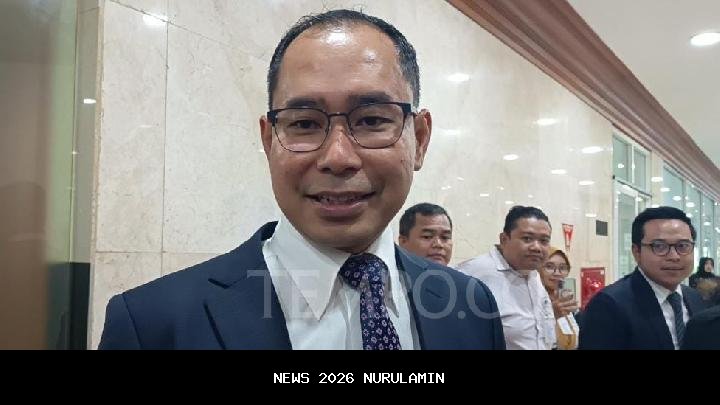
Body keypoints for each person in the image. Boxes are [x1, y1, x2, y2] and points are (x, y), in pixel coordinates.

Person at [98, 9, 505, 350]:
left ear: (419, 139)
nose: (338, 157)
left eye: (371, 120)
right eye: (305, 124)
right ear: (269, 141)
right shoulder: (153, 326)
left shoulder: (471, 307)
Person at [579, 207, 705, 349]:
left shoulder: (695, 298)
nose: (674, 256)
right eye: (659, 246)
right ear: (636, 252)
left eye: (683, 246)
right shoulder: (608, 305)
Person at [457, 206, 556, 350]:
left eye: (544, 241)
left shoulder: (533, 273)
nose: (537, 247)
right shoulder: (472, 274)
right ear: (504, 239)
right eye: (527, 238)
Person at [538, 248, 580, 350]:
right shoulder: (533, 303)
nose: (557, 273)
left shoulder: (566, 302)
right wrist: (552, 314)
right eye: (549, 267)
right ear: (538, 270)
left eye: (562, 268)